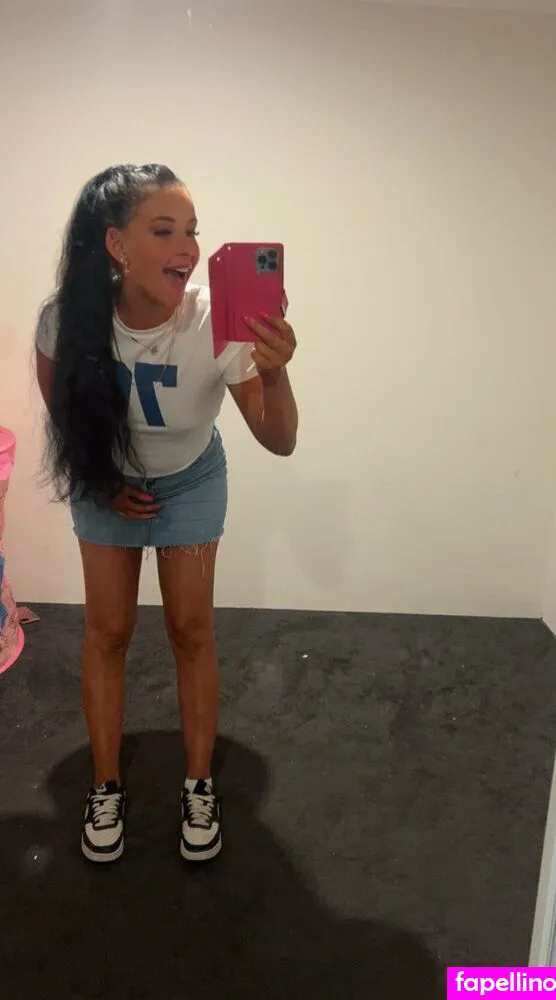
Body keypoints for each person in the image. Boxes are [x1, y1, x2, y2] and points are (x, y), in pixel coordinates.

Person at [35, 164, 298, 864]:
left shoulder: (217, 319)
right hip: (106, 482)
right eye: (164, 230)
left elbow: (279, 439)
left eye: (192, 231)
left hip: (190, 482)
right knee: (107, 631)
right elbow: (66, 423)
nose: (187, 248)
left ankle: (198, 784)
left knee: (191, 629)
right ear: (117, 245)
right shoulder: (66, 321)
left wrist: (275, 370)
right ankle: (105, 785)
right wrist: (102, 487)